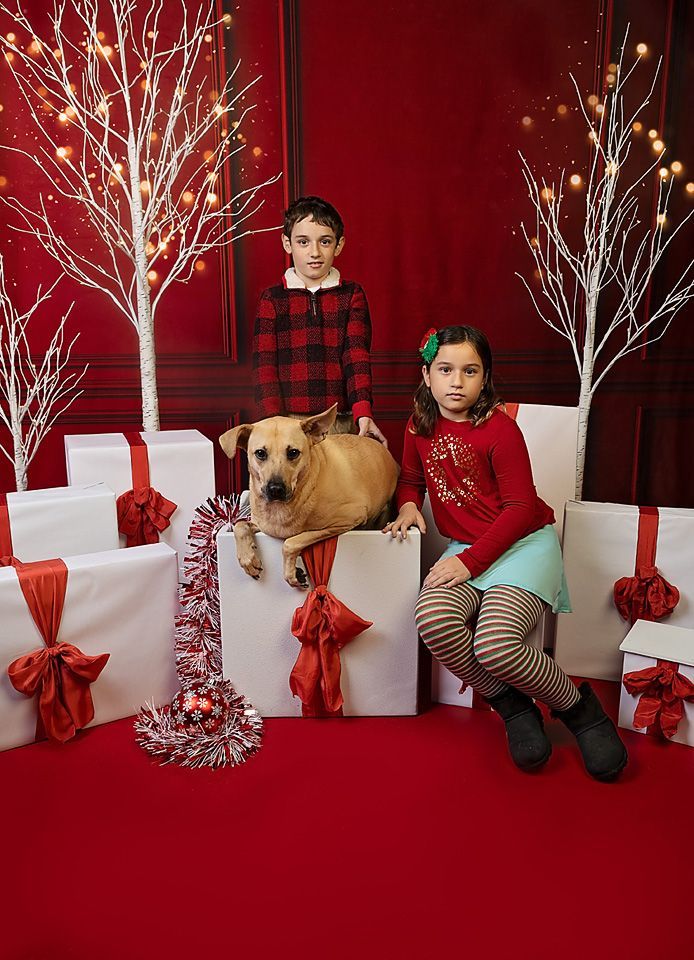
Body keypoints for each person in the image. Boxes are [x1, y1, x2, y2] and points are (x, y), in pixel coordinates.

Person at [384, 324, 627, 781]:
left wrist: (468, 563)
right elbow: (410, 480)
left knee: (496, 644)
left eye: (469, 371)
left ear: (485, 377)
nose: (457, 381)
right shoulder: (418, 427)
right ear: (426, 375)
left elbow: (518, 510)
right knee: (431, 620)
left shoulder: (500, 430)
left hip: (520, 545)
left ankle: (580, 711)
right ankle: (513, 707)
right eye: (446, 369)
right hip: (467, 547)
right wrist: (408, 505)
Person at [252, 196, 387, 445]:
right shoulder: (272, 299)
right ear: (287, 243)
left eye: (325, 242)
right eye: (303, 242)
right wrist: (271, 420)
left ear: (338, 245)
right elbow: (264, 367)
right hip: (287, 423)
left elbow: (356, 357)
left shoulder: (351, 295)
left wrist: (363, 412)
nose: (314, 252)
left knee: (341, 482)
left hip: (339, 420)